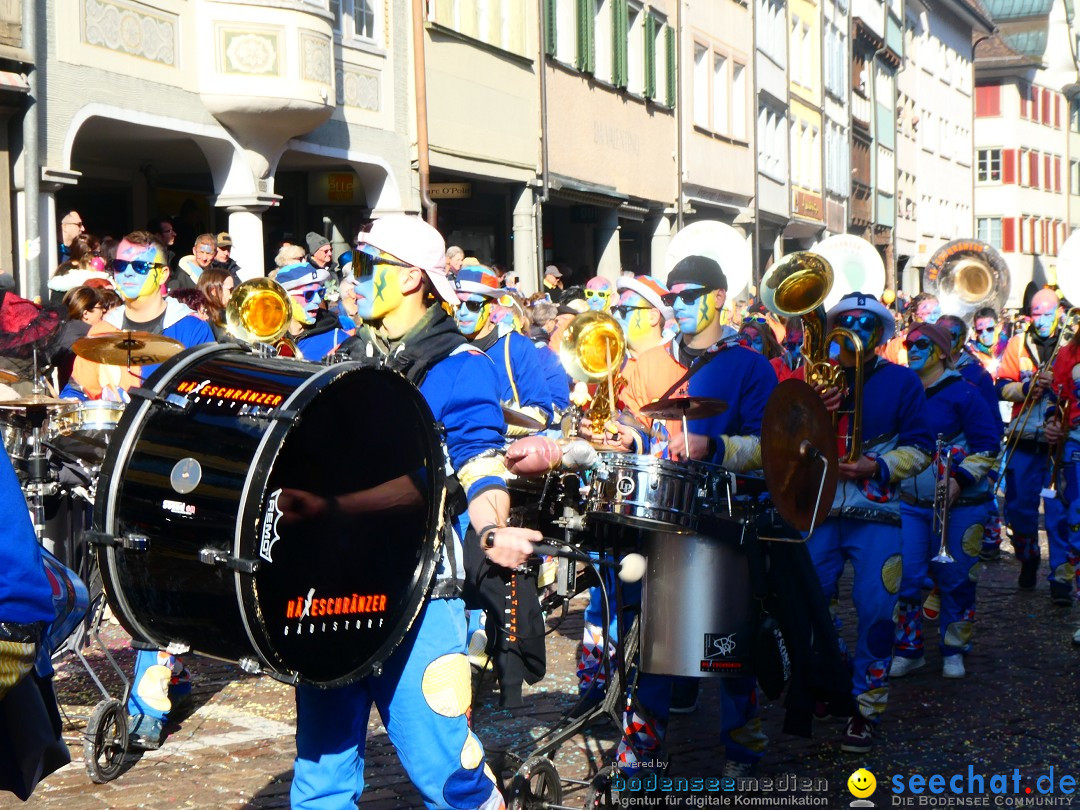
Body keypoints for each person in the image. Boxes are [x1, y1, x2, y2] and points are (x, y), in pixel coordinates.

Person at [289, 214, 539, 809]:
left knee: (449, 775)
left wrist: (493, 528)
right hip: (332, 591)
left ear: (409, 280)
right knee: (320, 777)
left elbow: (481, 464)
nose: (352, 280)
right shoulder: (342, 358)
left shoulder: (461, 366)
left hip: (419, 596)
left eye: (364, 266)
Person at [62, 231, 214, 750]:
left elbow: (204, 396)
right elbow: (71, 394)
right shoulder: (102, 331)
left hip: (169, 468)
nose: (124, 276)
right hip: (110, 465)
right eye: (119, 267)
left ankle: (148, 704)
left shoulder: (191, 329)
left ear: (162, 274)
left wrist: (139, 386)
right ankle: (173, 674)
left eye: (136, 267)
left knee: (149, 570)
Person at [809, 291, 932, 752]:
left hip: (877, 512)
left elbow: (922, 448)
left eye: (866, 324)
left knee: (879, 609)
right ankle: (833, 677)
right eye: (847, 323)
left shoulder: (903, 382)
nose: (856, 331)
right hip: (820, 508)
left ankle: (866, 706)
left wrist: (877, 466)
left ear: (880, 334)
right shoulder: (816, 377)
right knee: (812, 605)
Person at [892, 322, 1001, 680]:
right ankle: (909, 650)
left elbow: (988, 446)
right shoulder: (903, 393)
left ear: (941, 351)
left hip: (961, 506)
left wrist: (960, 479)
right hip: (910, 502)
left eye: (922, 343)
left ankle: (954, 649)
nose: (913, 348)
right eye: (908, 342)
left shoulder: (966, 394)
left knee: (956, 579)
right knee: (905, 579)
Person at [996, 289, 1072, 600]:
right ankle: (1028, 558)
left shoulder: (1072, 345)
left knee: (1059, 514)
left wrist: (1056, 390)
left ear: (1059, 313)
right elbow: (1001, 387)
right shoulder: (1017, 343)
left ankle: (1061, 578)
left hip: (1060, 443)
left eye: (1046, 313)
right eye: (1035, 314)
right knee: (1018, 511)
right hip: (1024, 439)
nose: (1040, 320)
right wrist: (1027, 386)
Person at [277, 262, 349, 361]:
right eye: (309, 294)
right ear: (285, 298)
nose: (318, 300)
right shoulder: (269, 337)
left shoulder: (338, 339)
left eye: (320, 293)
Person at [196, 266, 235, 341]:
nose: (232, 294)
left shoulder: (216, 314)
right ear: (213, 291)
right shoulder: (208, 318)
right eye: (230, 290)